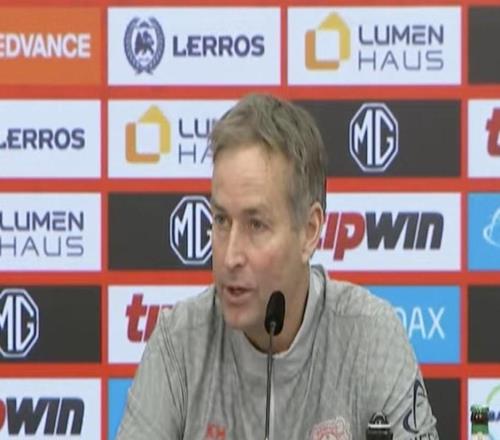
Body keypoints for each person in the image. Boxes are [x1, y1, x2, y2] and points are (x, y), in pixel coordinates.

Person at [117, 93, 439, 439]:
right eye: (222, 220)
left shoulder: (370, 336)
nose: (229, 256)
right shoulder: (179, 341)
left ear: (310, 231)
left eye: (256, 225)